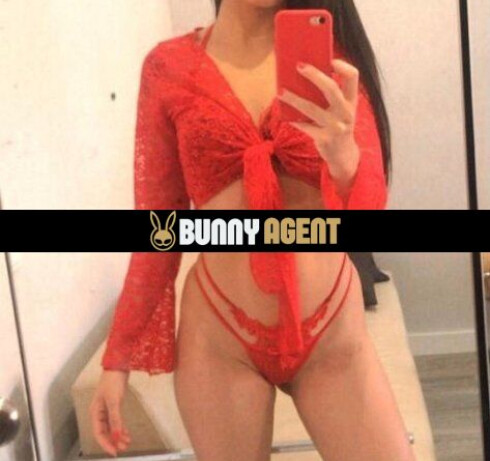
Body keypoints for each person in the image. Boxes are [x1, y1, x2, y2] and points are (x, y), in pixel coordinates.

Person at [89, 1, 415, 460]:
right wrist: (116, 360)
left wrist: (345, 160)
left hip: (331, 333)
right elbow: (158, 228)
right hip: (220, 339)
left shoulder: (333, 62)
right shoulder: (168, 67)